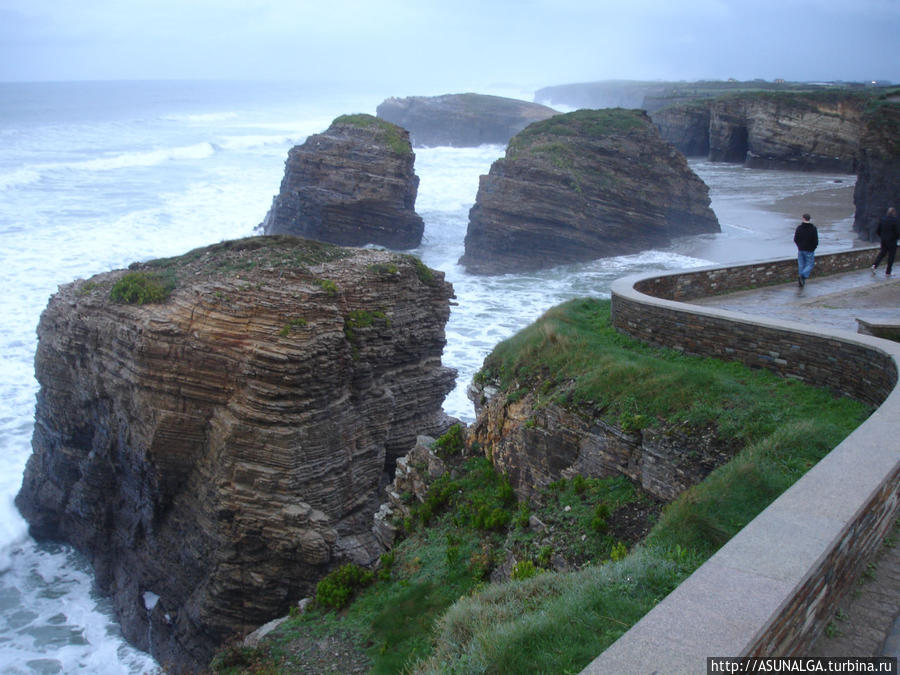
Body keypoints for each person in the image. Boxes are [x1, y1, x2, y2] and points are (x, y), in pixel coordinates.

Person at [871, 206, 899, 277]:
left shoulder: (882, 219)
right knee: (891, 256)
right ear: (893, 213)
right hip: (892, 241)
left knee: (882, 253)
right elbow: (898, 232)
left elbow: (878, 230)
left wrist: (882, 237)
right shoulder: (895, 220)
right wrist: (896, 238)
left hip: (884, 240)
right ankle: (888, 272)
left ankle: (874, 265)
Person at [793, 213, 818, 287]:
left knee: (801, 265)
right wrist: (813, 247)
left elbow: (795, 239)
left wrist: (799, 246)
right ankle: (803, 276)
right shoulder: (813, 228)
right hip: (809, 250)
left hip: (801, 249)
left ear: (803, 218)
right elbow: (815, 240)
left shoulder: (799, 228)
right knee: (810, 264)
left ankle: (801, 279)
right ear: (809, 219)